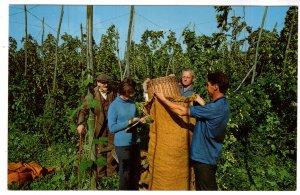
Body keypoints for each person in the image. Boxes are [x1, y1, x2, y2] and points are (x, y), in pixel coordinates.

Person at [155, 71, 230, 191]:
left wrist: (163, 99)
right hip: (210, 154)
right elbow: (210, 114)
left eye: (208, 84)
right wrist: (203, 103)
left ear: (215, 87)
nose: (207, 87)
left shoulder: (214, 108)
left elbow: (181, 111)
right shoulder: (223, 104)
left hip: (204, 158)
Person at [108, 78, 147, 190]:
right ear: (121, 91)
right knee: (125, 174)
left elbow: (134, 124)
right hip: (122, 145)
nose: (128, 96)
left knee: (135, 173)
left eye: (130, 93)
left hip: (135, 142)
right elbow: (112, 127)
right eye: (126, 94)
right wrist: (128, 122)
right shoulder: (114, 106)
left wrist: (139, 122)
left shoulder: (132, 104)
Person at [77, 74, 118, 179]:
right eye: (104, 83)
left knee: (112, 147)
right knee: (100, 149)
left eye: (107, 82)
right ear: (98, 83)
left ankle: (111, 173)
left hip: (112, 125)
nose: (106, 85)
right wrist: (81, 123)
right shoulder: (91, 95)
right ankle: (101, 174)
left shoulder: (113, 92)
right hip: (98, 126)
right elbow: (83, 110)